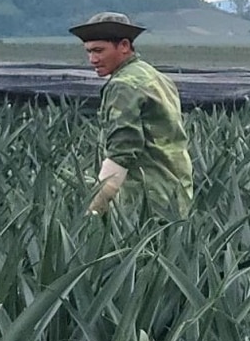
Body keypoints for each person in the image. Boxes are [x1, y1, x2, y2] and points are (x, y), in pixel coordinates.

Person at [70, 12, 192, 218]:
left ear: (124, 46)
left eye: (99, 50)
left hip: (143, 199)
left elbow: (122, 151)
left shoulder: (123, 85)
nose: (93, 59)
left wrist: (94, 209)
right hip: (175, 191)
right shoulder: (156, 77)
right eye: (89, 52)